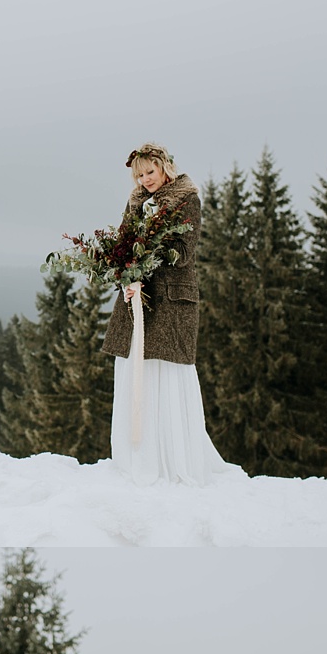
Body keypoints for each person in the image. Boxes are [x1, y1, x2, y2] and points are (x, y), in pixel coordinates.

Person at [103, 146, 227, 488]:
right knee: (135, 367)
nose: (145, 180)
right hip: (137, 300)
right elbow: (123, 244)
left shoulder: (187, 199)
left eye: (149, 173)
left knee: (166, 375)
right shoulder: (136, 201)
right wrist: (126, 271)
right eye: (139, 175)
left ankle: (173, 457)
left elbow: (184, 253)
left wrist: (145, 257)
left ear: (164, 167)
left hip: (171, 303)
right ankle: (137, 456)